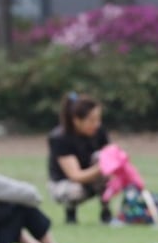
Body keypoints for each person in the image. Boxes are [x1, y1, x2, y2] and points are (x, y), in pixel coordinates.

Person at [47, 92, 111, 225]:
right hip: (65, 184)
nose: (97, 124)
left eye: (98, 119)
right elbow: (75, 176)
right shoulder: (60, 138)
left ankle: (106, 211)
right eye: (92, 120)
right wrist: (103, 167)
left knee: (103, 157)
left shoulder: (99, 131)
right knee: (75, 191)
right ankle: (71, 212)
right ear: (76, 120)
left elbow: (109, 155)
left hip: (91, 180)